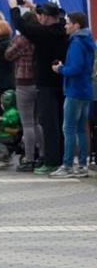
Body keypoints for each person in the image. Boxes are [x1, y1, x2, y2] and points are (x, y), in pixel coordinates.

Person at [9, 0, 68, 175]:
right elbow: (56, 17)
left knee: (48, 124)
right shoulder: (62, 29)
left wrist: (14, 8)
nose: (39, 18)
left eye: (41, 15)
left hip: (45, 84)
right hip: (61, 83)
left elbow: (22, 26)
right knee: (60, 123)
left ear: (46, 17)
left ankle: (51, 162)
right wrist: (32, 6)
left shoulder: (44, 33)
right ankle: (62, 159)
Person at [51, 12, 95, 178]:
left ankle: (68, 165)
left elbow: (75, 68)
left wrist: (60, 69)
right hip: (86, 90)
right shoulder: (88, 40)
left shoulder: (76, 42)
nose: (65, 25)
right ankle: (82, 165)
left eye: (68, 23)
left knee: (68, 128)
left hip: (74, 90)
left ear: (76, 25)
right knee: (81, 129)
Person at [4, 12, 43, 171]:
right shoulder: (40, 37)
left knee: (27, 124)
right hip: (39, 82)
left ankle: (29, 158)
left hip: (23, 83)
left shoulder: (21, 40)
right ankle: (43, 155)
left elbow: (8, 55)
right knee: (37, 122)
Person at [0, 90, 21, 169]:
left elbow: (12, 121)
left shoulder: (13, 111)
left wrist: (1, 119)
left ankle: (4, 156)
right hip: (4, 133)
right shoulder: (7, 111)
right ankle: (2, 156)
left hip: (10, 134)